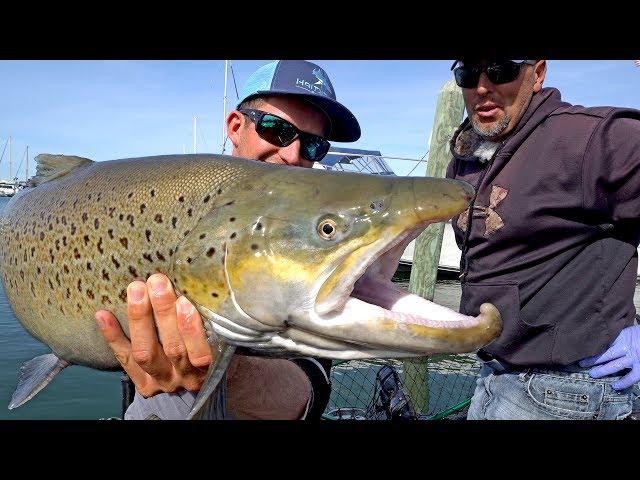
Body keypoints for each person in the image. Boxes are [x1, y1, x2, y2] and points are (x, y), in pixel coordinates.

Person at [94, 60, 361, 419]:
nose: (294, 154)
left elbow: (307, 390)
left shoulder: (317, 252)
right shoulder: (169, 202)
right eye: (277, 130)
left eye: (313, 145)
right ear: (236, 126)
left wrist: (217, 371)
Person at [445, 59, 640, 420]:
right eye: (468, 74)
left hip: (570, 387)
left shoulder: (592, 140)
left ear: (536, 73)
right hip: (494, 373)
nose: (482, 86)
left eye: (500, 69)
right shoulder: (467, 157)